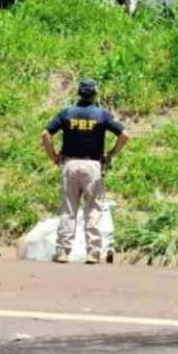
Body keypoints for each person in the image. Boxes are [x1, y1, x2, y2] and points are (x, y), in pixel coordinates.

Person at [41, 79, 129, 264]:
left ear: (79, 94)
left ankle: (63, 251)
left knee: (68, 209)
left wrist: (53, 156)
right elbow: (124, 134)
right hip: (92, 166)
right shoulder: (102, 115)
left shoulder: (67, 113)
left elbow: (45, 134)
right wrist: (112, 153)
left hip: (70, 165)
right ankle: (93, 253)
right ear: (95, 94)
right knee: (93, 209)